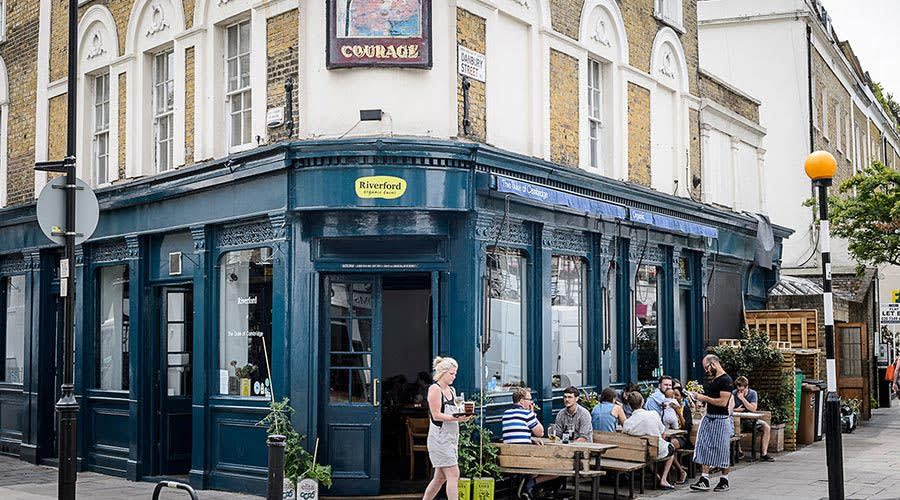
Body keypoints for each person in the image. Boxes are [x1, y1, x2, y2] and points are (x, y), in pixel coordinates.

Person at [422, 357, 473, 500]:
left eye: (455, 374)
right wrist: (456, 418)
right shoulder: (434, 389)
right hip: (439, 439)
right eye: (451, 373)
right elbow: (436, 415)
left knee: (439, 478)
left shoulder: (452, 390)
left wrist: (464, 415)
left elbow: (453, 411)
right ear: (442, 373)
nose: (454, 376)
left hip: (451, 438)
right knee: (453, 474)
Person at [688, 354, 734, 492]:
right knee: (704, 446)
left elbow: (723, 402)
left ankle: (724, 480)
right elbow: (712, 399)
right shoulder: (715, 379)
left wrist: (704, 398)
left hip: (720, 420)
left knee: (722, 449)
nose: (706, 371)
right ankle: (704, 478)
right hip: (709, 418)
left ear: (713, 364)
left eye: (707, 368)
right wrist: (700, 401)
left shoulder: (726, 380)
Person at [502, 387, 556, 499]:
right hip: (524, 460)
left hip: (508, 459)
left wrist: (530, 439)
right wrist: (532, 413)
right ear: (521, 401)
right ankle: (531, 484)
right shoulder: (527, 414)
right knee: (556, 467)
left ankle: (527, 489)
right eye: (529, 399)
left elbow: (515, 433)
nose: (531, 402)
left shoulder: (506, 414)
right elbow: (540, 432)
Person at [623, 392, 677, 489]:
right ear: (642, 402)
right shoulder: (653, 414)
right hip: (656, 451)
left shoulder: (628, 422)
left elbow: (625, 435)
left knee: (647, 454)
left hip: (638, 453)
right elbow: (663, 433)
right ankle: (663, 479)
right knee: (671, 450)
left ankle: (657, 476)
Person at [732, 376, 775, 462]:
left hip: (751, 420)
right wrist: (738, 409)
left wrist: (743, 399)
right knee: (735, 429)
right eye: (738, 389)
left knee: (766, 427)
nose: (739, 391)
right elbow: (730, 408)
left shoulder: (752, 393)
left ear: (746, 387)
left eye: (742, 389)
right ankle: (739, 452)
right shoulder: (733, 393)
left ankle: (764, 453)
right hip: (738, 420)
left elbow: (753, 408)